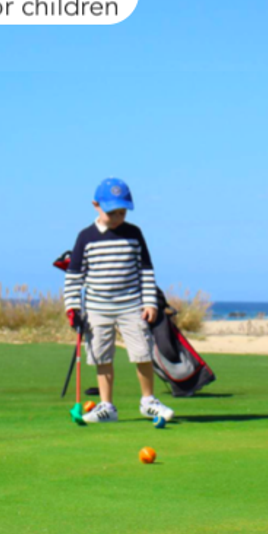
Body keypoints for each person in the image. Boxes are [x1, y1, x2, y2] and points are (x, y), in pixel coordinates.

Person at [63, 177, 174, 424]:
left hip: (131, 306)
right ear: (96, 205)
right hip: (97, 309)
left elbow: (145, 270)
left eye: (122, 212)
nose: (117, 217)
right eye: (112, 212)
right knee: (101, 357)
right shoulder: (85, 237)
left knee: (142, 352)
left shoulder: (134, 233)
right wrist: (72, 308)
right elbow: (74, 277)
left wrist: (150, 302)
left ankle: (148, 401)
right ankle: (107, 407)